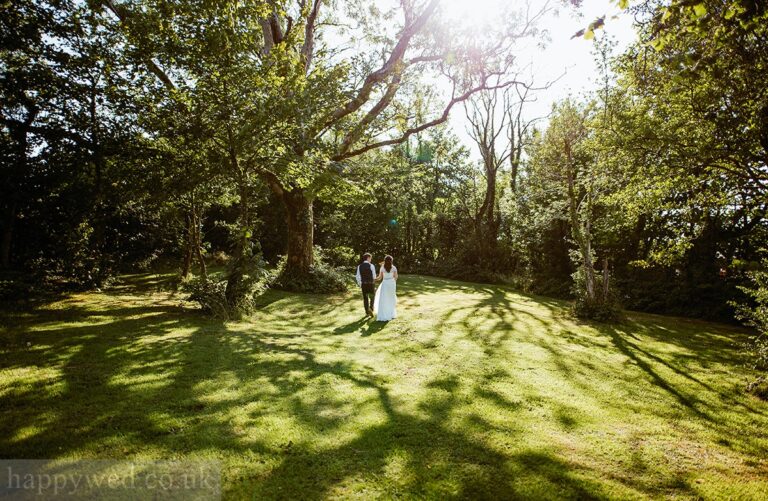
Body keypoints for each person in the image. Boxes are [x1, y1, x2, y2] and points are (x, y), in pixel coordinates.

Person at [373, 255, 398, 321]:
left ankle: (384, 314)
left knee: (384, 299)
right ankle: (391, 314)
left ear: (385, 260)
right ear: (391, 261)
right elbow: (396, 277)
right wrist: (392, 282)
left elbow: (380, 278)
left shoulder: (382, 268)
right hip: (392, 284)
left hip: (385, 284)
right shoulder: (394, 267)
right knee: (390, 298)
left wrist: (374, 279)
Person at [355, 253, 377, 317]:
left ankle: (367, 312)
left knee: (365, 298)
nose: (371, 260)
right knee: (372, 297)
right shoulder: (371, 265)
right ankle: (371, 308)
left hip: (364, 284)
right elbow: (374, 276)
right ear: (368, 258)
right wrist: (373, 283)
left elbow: (357, 276)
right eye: (370, 258)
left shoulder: (359, 266)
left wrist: (360, 284)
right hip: (370, 284)